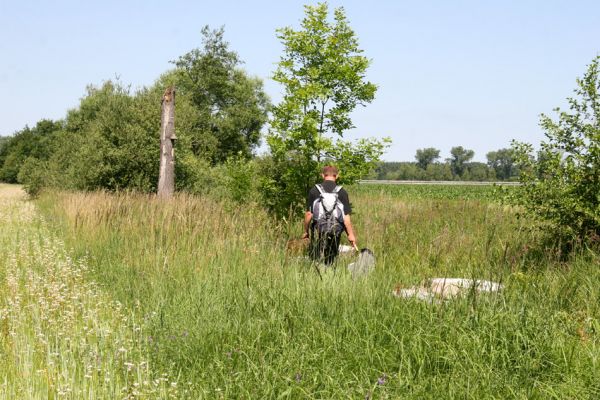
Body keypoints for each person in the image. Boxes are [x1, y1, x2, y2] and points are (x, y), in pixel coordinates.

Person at [302, 165, 357, 264]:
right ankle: (329, 267)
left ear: (322, 175)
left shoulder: (314, 190)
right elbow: (346, 218)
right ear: (337, 176)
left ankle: (317, 267)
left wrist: (306, 231)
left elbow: (309, 214)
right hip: (336, 228)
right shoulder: (342, 192)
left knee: (317, 252)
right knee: (332, 255)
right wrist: (351, 235)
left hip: (319, 228)